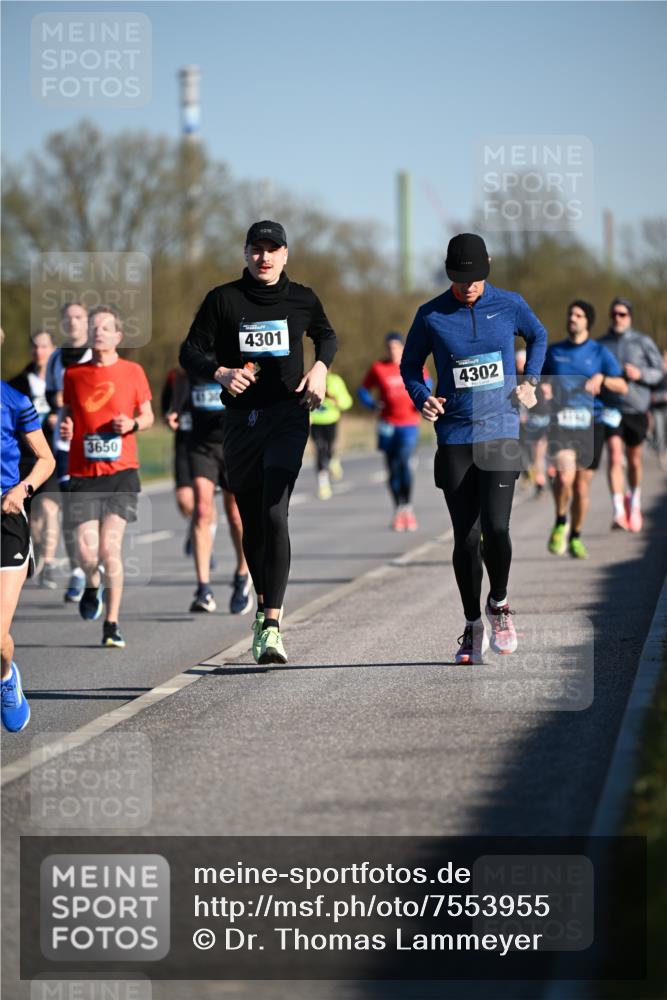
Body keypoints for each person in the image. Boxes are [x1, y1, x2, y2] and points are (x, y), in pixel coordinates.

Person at [180, 220, 337, 664]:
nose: (264, 257)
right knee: (252, 522)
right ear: (245, 253)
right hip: (240, 423)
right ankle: (263, 600)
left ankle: (272, 623)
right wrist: (220, 372)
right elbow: (189, 350)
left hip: (288, 415)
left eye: (273, 249)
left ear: (286, 254)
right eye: (256, 249)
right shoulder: (223, 299)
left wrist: (321, 369)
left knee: (275, 513)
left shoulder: (302, 298)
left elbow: (326, 336)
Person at [401, 233, 547, 664]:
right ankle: (471, 625)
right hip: (456, 435)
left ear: (488, 267)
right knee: (465, 538)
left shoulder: (510, 304)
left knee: (497, 529)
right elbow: (410, 365)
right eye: (461, 278)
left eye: (477, 277)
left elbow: (537, 336)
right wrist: (421, 395)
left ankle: (498, 605)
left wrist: (531, 380)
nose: (470, 286)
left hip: (500, 428)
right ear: (449, 273)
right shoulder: (431, 315)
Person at [60, 305, 154, 648]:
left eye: (105, 327)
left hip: (121, 473)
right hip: (83, 472)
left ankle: (112, 623)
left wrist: (131, 424)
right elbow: (66, 415)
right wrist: (65, 426)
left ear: (118, 335)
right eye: (94, 327)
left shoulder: (133, 371)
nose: (98, 332)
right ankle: (91, 582)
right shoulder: (73, 374)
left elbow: (147, 416)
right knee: (88, 555)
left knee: (109, 548)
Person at [541, 301, 627, 559]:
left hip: (591, 425)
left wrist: (603, 379)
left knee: (581, 488)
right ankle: (560, 521)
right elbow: (538, 380)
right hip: (561, 422)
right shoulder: (554, 351)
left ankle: (576, 535)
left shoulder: (599, 353)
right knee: (565, 477)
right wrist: (542, 388)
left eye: (578, 315)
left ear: (587, 321)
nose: (572, 318)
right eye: (570, 314)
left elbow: (623, 386)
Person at [1, 379, 56, 732]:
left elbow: (45, 459)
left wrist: (22, 489)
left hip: (5, 517)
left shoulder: (14, 400)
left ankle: (5, 676)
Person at [180, 368, 253, 615]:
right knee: (202, 510)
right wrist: (173, 414)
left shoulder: (239, 358)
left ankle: (243, 575)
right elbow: (177, 403)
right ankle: (203, 588)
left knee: (235, 514)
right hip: (201, 447)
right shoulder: (191, 363)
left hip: (234, 444)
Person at [597, 297, 664, 531]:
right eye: (614, 314)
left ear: (630, 316)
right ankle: (617, 510)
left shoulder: (642, 342)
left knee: (634, 458)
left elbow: (659, 373)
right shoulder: (602, 344)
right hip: (611, 407)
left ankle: (633, 502)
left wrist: (640, 374)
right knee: (615, 455)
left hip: (636, 407)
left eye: (622, 314)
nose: (618, 318)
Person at [359, 333, 430, 531]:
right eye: (389, 348)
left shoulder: (414, 365)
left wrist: (421, 402)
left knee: (404, 461)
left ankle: (408, 505)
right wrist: (372, 404)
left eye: (396, 347)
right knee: (391, 467)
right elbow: (363, 390)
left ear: (402, 348)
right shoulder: (378, 368)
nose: (393, 351)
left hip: (408, 424)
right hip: (387, 425)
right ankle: (399, 508)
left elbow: (428, 384)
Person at [45, 301, 91, 601]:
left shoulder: (96, 355)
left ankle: (92, 568)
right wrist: (58, 403)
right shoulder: (55, 358)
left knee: (90, 512)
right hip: (65, 444)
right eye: (69, 318)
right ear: (63, 323)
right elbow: (50, 394)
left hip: (94, 445)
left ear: (86, 322)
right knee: (72, 513)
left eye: (79, 317)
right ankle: (77, 571)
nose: (73, 323)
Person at [9, 330, 61, 586]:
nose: (39, 352)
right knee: (35, 517)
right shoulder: (17, 385)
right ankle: (38, 551)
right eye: (35, 347)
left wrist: (59, 418)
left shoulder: (63, 382)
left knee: (47, 508)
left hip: (51, 455)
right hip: (23, 458)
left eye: (44, 346)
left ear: (53, 350)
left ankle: (49, 563)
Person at [310, 369, 353, 499]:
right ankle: (323, 484)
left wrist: (336, 401)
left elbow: (347, 402)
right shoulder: (310, 380)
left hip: (331, 421)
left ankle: (333, 459)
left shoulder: (335, 381)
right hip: (315, 422)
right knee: (320, 449)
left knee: (329, 448)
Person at [649, 350, 667, 471]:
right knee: (659, 432)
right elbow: (649, 394)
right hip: (657, 408)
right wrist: (661, 396)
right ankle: (661, 455)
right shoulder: (655, 375)